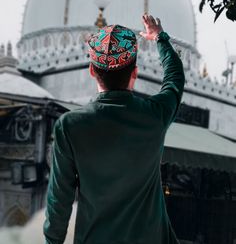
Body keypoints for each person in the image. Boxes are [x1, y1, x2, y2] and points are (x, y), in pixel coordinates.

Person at [43, 14, 185, 244]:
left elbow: (59, 200)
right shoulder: (154, 115)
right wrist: (160, 37)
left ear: (92, 71)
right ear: (134, 73)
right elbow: (175, 79)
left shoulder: (70, 126)